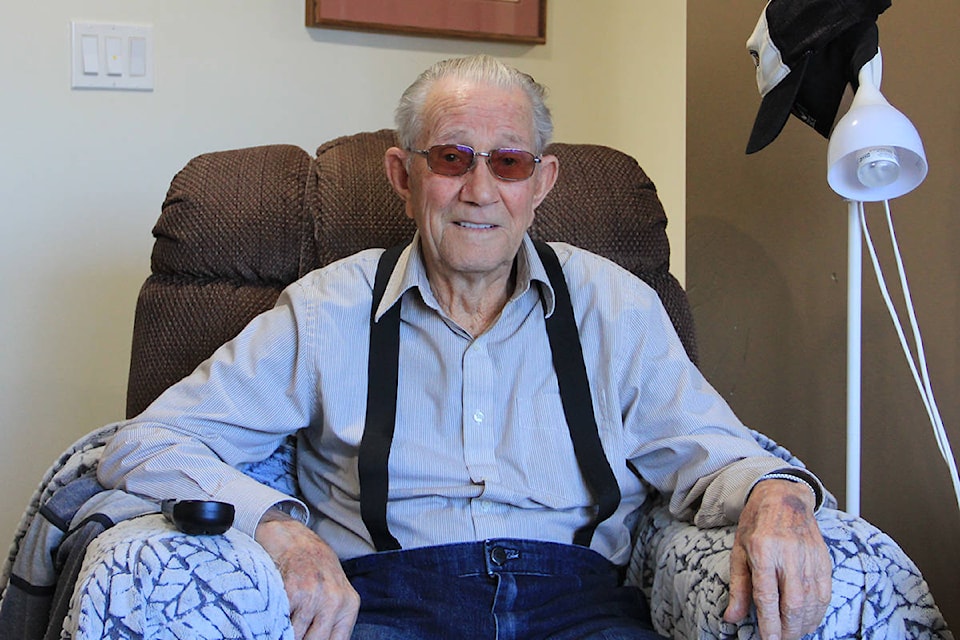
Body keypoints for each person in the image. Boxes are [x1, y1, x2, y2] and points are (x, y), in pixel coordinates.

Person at [98, 54, 831, 640]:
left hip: (583, 613)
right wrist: (279, 528)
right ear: (404, 177)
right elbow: (149, 443)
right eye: (452, 158)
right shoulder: (327, 311)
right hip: (381, 608)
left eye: (508, 162)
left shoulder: (616, 307)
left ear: (540, 182)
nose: (480, 190)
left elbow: (716, 450)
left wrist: (778, 495)